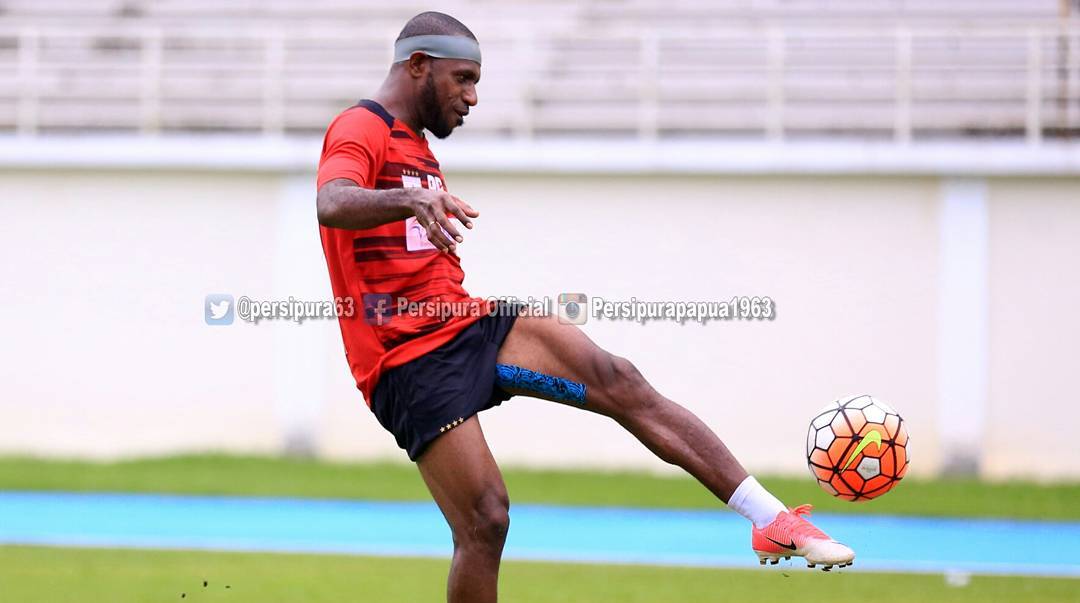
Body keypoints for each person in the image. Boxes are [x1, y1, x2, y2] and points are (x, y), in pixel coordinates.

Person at [315, 12, 854, 602]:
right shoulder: (360, 126)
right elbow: (332, 201)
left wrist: (414, 199)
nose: (471, 97)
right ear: (418, 64)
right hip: (405, 357)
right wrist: (409, 198)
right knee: (486, 519)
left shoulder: (417, 146)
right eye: (462, 79)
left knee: (618, 378)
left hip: (464, 322)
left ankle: (771, 519)